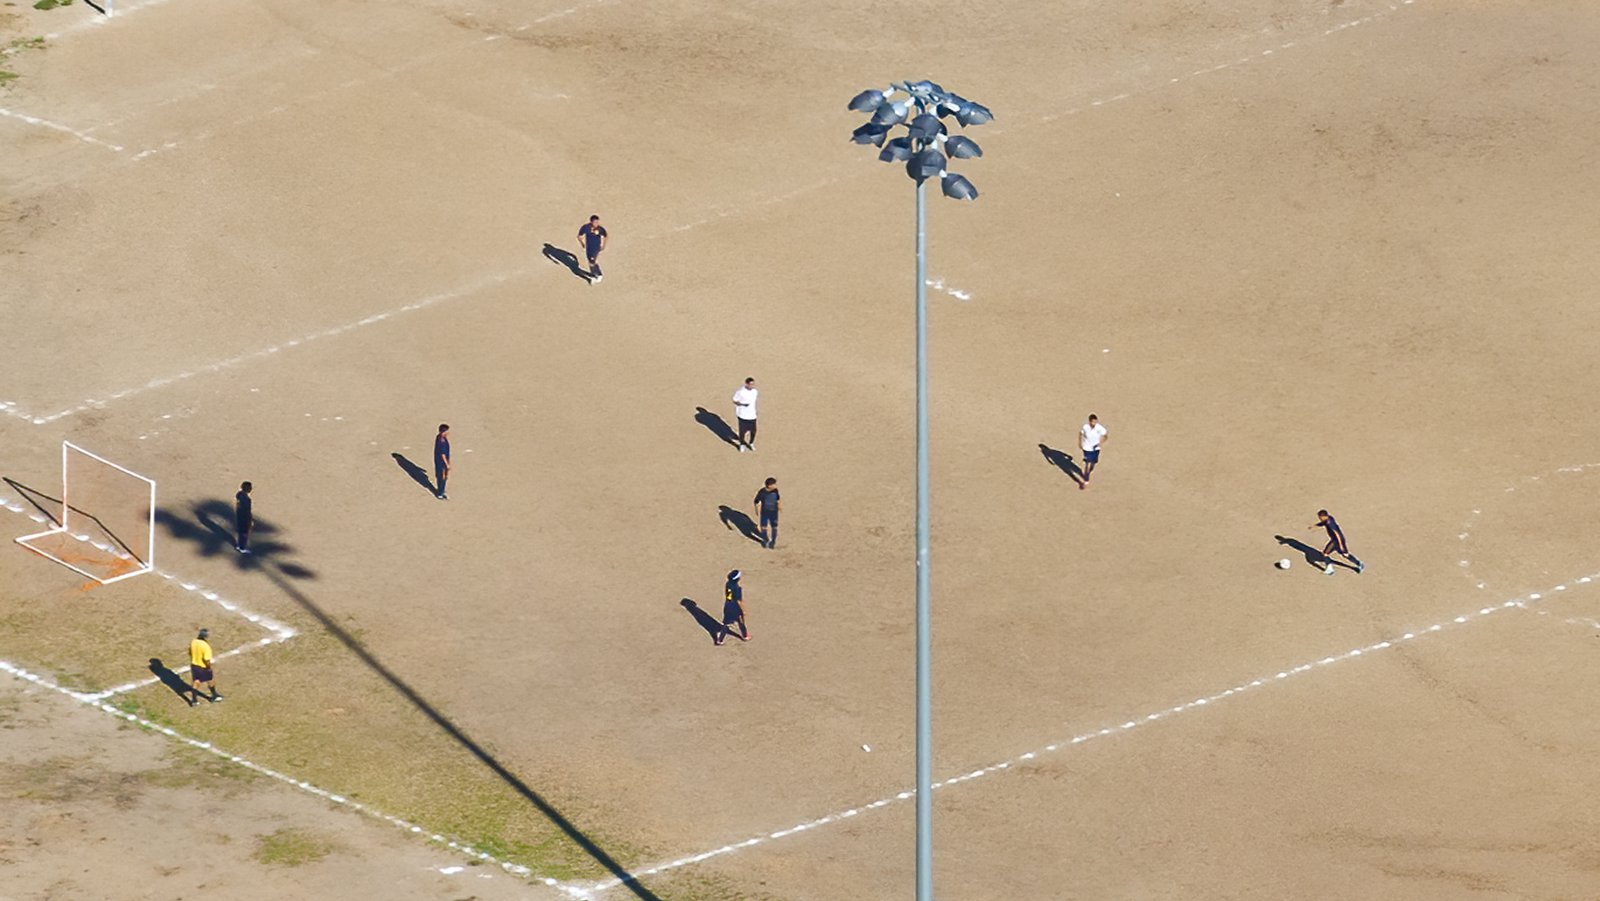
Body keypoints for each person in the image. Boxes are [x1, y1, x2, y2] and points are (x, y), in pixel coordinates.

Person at [1309, 509, 1365, 574]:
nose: (1320, 519)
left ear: (1324, 516)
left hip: (1337, 540)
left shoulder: (1330, 523)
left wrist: (1341, 545)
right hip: (1335, 540)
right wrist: (1315, 526)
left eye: (1320, 518)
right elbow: (1323, 523)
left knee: (1341, 554)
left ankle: (1359, 564)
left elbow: (1337, 534)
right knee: (1331, 554)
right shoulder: (1329, 518)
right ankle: (1330, 568)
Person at [188, 628, 222, 705]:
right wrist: (209, 667)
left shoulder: (193, 642)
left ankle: (194, 700)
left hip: (194, 665)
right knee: (210, 680)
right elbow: (206, 660)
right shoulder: (206, 646)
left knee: (196, 681)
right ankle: (214, 696)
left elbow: (190, 652)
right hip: (203, 667)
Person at [718, 569, 749, 644]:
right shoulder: (737, 588)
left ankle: (720, 640)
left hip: (728, 605)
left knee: (726, 624)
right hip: (735, 608)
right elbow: (739, 601)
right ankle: (745, 636)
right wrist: (743, 610)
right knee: (741, 621)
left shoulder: (728, 584)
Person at [1079, 414, 1107, 489]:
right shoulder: (1085, 427)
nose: (1094, 423)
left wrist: (1100, 443)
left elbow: (1105, 436)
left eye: (1095, 422)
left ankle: (1088, 472)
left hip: (1096, 449)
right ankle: (1085, 480)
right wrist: (1080, 443)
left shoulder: (1100, 428)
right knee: (1087, 464)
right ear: (1089, 421)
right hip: (1087, 448)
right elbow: (1081, 433)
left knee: (1092, 464)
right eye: (1092, 422)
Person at [577, 215, 608, 284]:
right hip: (589, 247)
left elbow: (605, 236)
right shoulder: (586, 227)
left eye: (597, 222)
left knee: (592, 262)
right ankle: (594, 275)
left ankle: (598, 275)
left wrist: (603, 245)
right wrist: (582, 243)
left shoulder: (600, 229)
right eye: (595, 222)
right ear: (591, 222)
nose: (596, 224)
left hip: (596, 247)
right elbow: (579, 236)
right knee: (590, 261)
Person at [733, 377, 759, 452]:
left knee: (753, 431)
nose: (752, 386)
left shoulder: (755, 392)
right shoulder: (740, 392)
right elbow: (734, 400)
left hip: (752, 415)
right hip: (743, 415)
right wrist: (742, 404)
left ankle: (751, 443)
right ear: (746, 384)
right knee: (742, 432)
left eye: (753, 384)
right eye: (750, 384)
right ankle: (742, 444)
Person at [754, 478, 781, 549]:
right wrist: (756, 510)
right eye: (774, 484)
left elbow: (778, 499)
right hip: (764, 512)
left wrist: (779, 506)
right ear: (769, 485)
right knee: (763, 527)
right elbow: (756, 501)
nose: (775, 485)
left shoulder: (775, 491)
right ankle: (765, 540)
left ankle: (773, 542)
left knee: (774, 527)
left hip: (774, 512)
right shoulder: (762, 492)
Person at [234, 482, 253, 553]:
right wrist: (250, 520)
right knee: (244, 532)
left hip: (239, 515)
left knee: (241, 531)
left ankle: (239, 545)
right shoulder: (246, 499)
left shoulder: (240, 495)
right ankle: (242, 547)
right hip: (244, 517)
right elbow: (247, 511)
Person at [434, 424, 451, 500]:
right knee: (442, 476)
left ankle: (442, 490)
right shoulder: (442, 442)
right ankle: (440, 492)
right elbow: (442, 454)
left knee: (444, 476)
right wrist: (447, 464)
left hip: (442, 460)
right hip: (441, 462)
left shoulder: (440, 438)